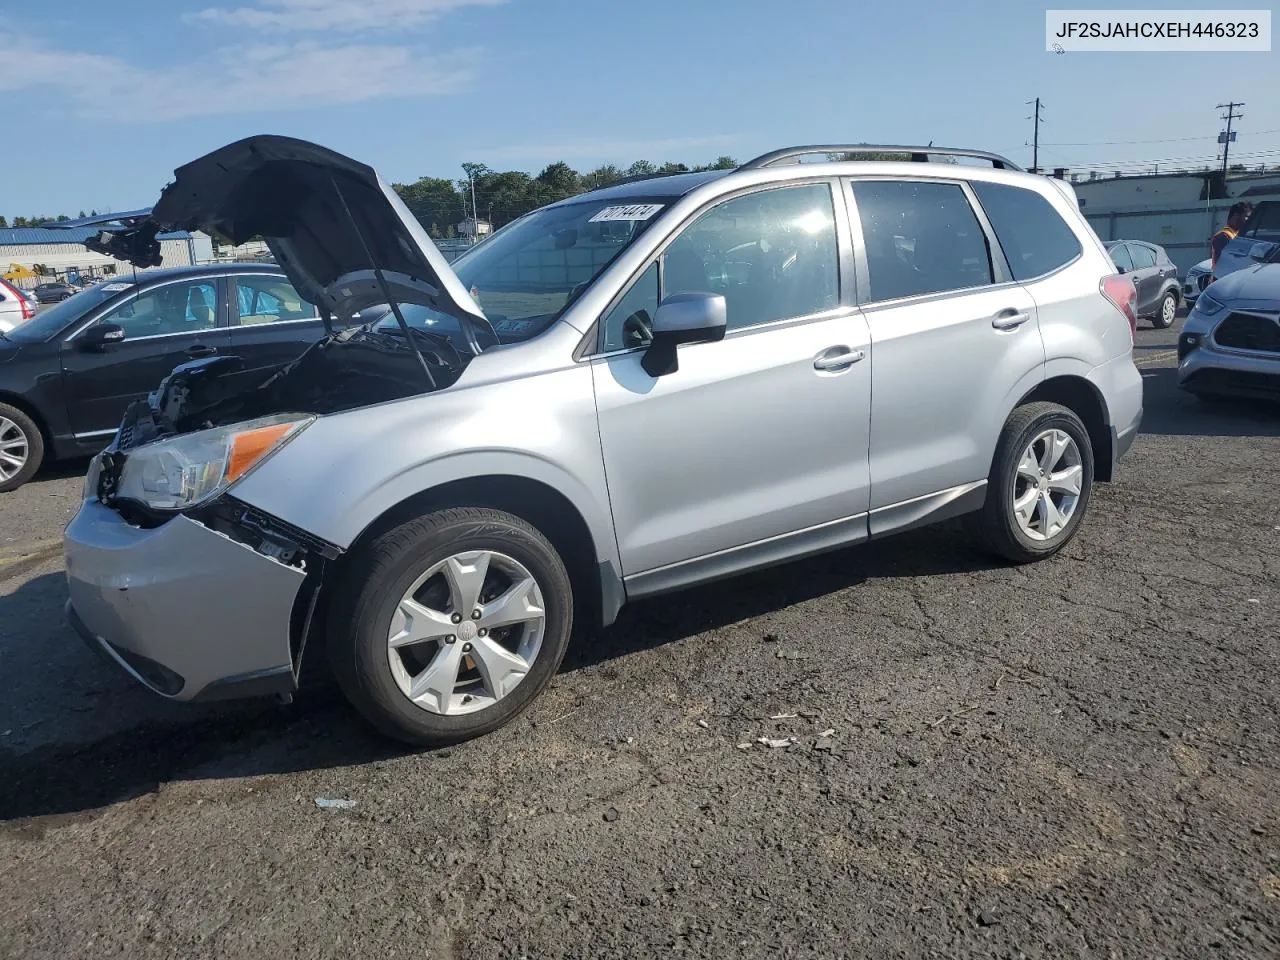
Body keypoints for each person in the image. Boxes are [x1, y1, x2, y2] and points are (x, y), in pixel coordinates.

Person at [1209, 202, 1252, 269]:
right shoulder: (1223, 236)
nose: (1248, 220)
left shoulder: (1238, 235)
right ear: (1236, 216)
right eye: (1246, 217)